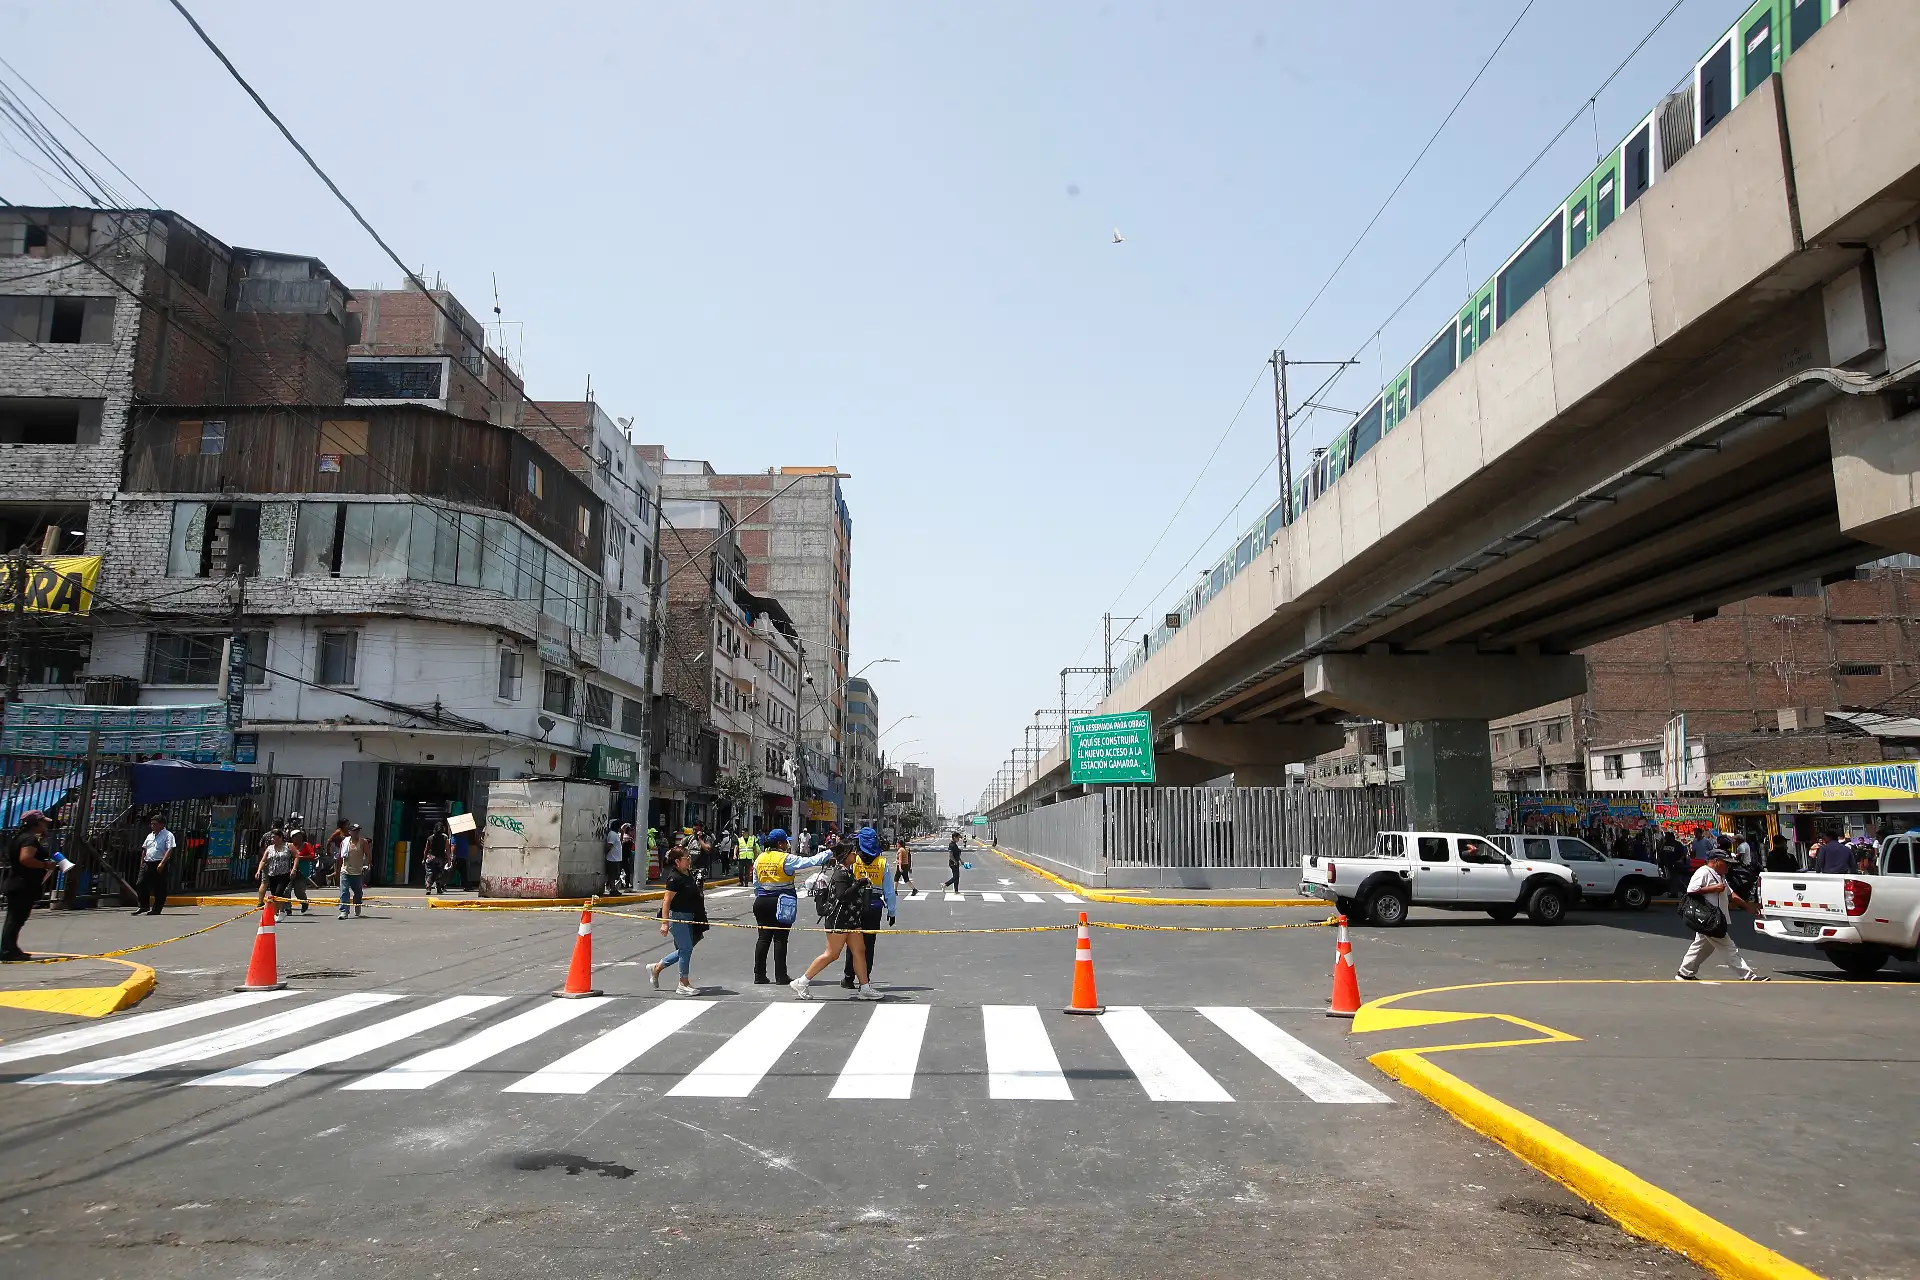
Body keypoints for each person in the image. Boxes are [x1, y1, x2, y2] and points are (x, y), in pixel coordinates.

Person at [790, 842, 880, 1001]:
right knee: (832, 954)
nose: (856, 855)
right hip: (839, 920)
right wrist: (860, 883)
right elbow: (842, 896)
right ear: (846, 856)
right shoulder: (840, 874)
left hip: (851, 920)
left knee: (859, 951)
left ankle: (865, 987)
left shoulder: (847, 871)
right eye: (853, 852)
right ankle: (802, 981)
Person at [749, 828, 833, 984]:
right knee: (780, 939)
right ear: (780, 843)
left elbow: (755, 883)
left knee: (763, 939)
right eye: (785, 841)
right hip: (781, 903)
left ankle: (759, 975)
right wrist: (828, 852)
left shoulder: (759, 858)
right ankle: (781, 976)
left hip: (761, 902)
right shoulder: (785, 859)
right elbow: (810, 861)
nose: (787, 844)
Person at [1675, 850, 1768, 981]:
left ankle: (1684, 973)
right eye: (1726, 863)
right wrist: (1712, 889)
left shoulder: (1720, 875)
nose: (1728, 867)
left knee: (1702, 947)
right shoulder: (1704, 872)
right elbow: (1691, 890)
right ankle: (1748, 976)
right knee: (1729, 948)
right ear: (1715, 861)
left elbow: (1731, 895)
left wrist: (1747, 907)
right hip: (1709, 919)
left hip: (1715, 918)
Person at [840, 826, 897, 989]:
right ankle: (865, 979)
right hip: (875, 908)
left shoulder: (853, 860)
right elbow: (889, 891)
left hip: (854, 908)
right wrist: (891, 912)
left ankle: (848, 977)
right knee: (868, 945)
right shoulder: (881, 863)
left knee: (852, 943)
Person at [647, 844, 707, 996]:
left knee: (684, 950)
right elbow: (666, 901)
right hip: (677, 918)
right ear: (677, 862)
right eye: (686, 858)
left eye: (689, 857)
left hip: (689, 917)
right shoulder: (674, 878)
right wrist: (665, 923)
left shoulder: (687, 873)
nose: (689, 860)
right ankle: (683, 983)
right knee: (686, 949)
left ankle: (657, 968)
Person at [2, 811, 54, 961]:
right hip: (22, 884)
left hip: (18, 883)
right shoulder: (28, 839)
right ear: (36, 823)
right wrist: (45, 864)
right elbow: (26, 859)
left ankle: (11, 948)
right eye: (43, 822)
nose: (46, 824)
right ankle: (7, 950)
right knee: (15, 918)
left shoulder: (23, 838)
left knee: (17, 917)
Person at [134, 813, 175, 916]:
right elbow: (144, 848)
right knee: (140, 883)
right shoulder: (150, 835)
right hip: (148, 862)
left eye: (155, 824)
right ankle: (143, 905)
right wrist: (142, 862)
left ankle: (157, 909)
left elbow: (170, 849)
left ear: (162, 825)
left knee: (159, 886)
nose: (152, 826)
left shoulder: (168, 835)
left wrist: (162, 863)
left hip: (159, 862)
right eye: (151, 824)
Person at [255, 829, 297, 917]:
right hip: (272, 874)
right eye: (272, 837)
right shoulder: (270, 848)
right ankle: (279, 912)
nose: (272, 839)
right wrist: (259, 871)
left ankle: (278, 912)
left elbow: (297, 856)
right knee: (275, 895)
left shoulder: (288, 846)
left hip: (284, 874)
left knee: (278, 893)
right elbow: (263, 860)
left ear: (280, 837)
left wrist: (294, 869)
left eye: (274, 837)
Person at [337, 822, 369, 919]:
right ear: (350, 832)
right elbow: (340, 856)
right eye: (354, 831)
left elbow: (367, 854)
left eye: (358, 831)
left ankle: (357, 904)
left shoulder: (363, 842)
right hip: (345, 871)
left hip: (357, 871)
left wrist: (366, 865)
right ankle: (344, 911)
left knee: (358, 892)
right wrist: (337, 870)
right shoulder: (345, 842)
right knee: (344, 891)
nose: (357, 833)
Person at [288, 829, 316, 914]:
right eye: (296, 836)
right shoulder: (289, 846)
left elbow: (312, 856)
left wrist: (300, 857)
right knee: (286, 890)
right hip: (289, 871)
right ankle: (287, 908)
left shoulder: (306, 845)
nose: (299, 837)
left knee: (299, 891)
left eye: (300, 835)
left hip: (301, 871)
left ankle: (304, 902)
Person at [603, 821, 626, 895]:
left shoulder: (616, 834)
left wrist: (622, 834)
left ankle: (613, 888)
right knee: (612, 875)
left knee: (615, 875)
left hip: (616, 858)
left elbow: (620, 843)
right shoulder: (613, 834)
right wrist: (605, 853)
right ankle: (612, 890)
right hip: (612, 858)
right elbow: (609, 845)